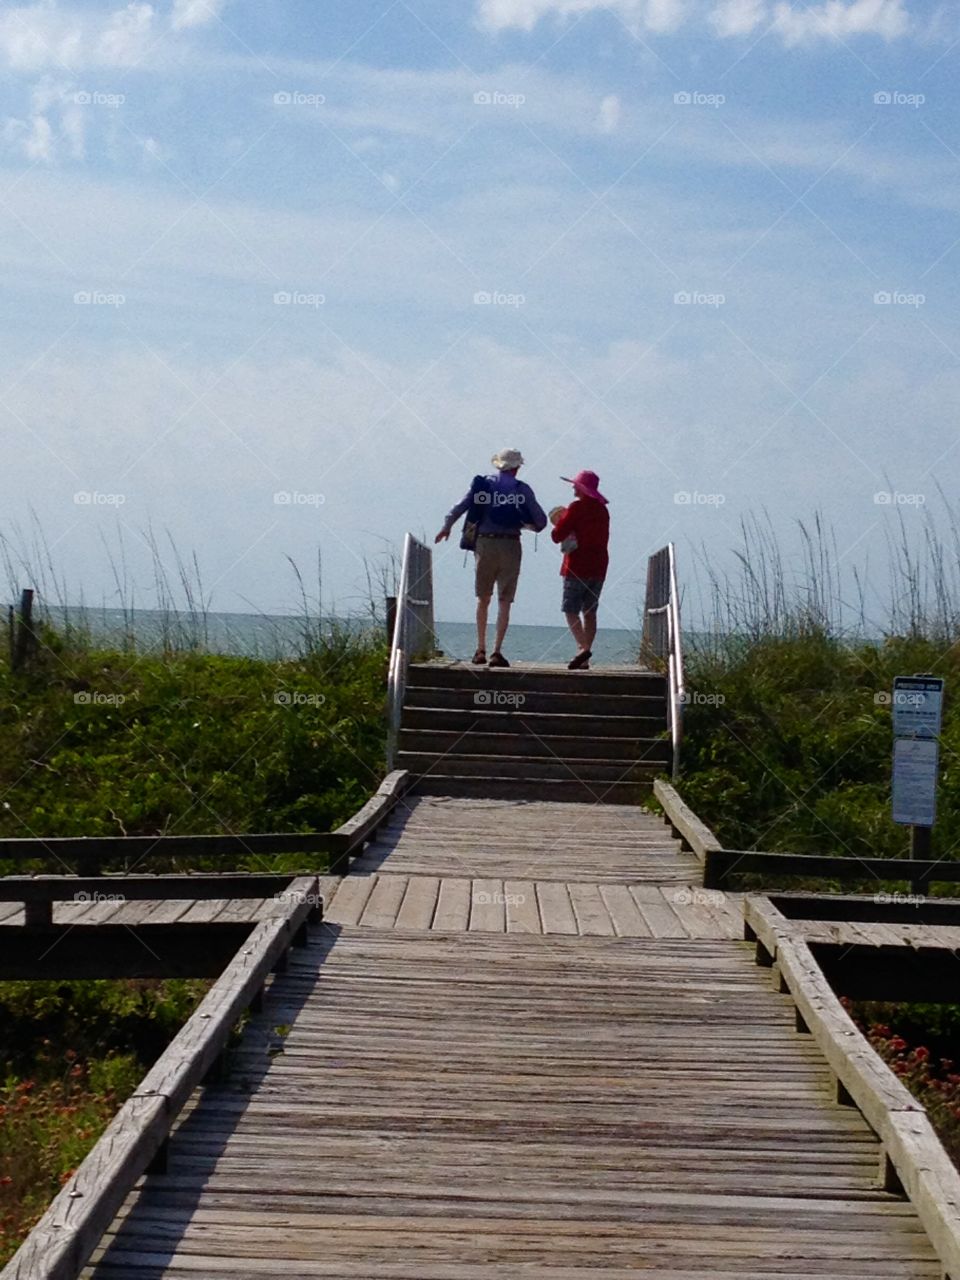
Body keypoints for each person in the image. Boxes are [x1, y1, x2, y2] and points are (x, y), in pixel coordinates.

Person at [436, 448, 547, 667]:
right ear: (516, 467)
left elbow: (459, 507)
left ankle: (480, 649)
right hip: (511, 545)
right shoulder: (521, 489)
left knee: (483, 598)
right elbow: (541, 521)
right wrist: (525, 524)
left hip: (484, 543)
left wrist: (446, 527)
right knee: (504, 600)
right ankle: (497, 651)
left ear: (498, 465)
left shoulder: (484, 485)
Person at [550, 469, 609, 670]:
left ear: (582, 488)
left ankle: (583, 648)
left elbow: (558, 535)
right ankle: (584, 657)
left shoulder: (576, 508)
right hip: (599, 566)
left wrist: (558, 521)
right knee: (590, 611)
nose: (573, 487)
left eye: (576, 485)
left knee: (570, 609)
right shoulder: (603, 511)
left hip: (577, 565)